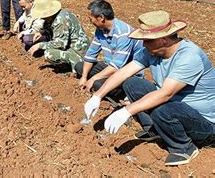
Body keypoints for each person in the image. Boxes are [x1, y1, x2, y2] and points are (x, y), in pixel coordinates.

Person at [84, 11, 215, 166]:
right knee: (132, 83)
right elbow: (124, 72)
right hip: (175, 107)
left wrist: (127, 111)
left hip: (204, 123)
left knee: (164, 111)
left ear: (164, 39)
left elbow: (165, 94)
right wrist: (97, 96)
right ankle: (154, 129)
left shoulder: (189, 57)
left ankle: (184, 147)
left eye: (147, 40)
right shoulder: (151, 51)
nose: (144, 44)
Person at [76, 0, 144, 93]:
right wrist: (84, 77)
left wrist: (92, 79)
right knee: (80, 67)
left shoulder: (124, 33)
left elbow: (116, 67)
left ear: (101, 18)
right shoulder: (100, 30)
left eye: (90, 18)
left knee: (98, 84)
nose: (90, 21)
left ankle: (123, 92)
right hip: (110, 67)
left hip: (127, 74)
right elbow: (90, 55)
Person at [27, 0, 89, 72]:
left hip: (78, 53)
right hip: (71, 48)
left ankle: (73, 64)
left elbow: (60, 44)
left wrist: (40, 45)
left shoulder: (61, 20)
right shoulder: (59, 14)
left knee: (48, 53)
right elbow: (51, 27)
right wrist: (42, 32)